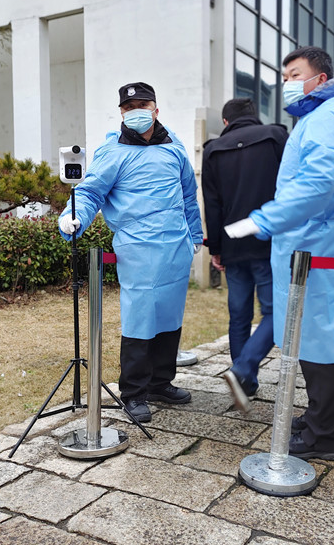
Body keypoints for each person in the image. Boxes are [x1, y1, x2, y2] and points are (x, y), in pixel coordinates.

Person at [225, 46, 334, 461]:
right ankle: (319, 417)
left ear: (322, 78)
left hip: (317, 243)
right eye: (285, 76)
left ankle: (324, 436)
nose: (288, 83)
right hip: (312, 241)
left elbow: (315, 185)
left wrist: (264, 219)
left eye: (295, 74)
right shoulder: (320, 116)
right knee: (309, 336)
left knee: (320, 339)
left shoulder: (327, 117)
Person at [58, 82, 203, 423]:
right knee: (140, 318)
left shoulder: (175, 148)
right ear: (121, 112)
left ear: (156, 108)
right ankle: (134, 392)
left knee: (169, 317)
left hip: (175, 248)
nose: (136, 111)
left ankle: (160, 382)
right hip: (138, 249)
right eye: (129, 107)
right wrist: (72, 216)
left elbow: (188, 195)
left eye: (142, 104)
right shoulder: (113, 152)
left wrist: (195, 235)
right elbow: (91, 191)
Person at [201, 98, 287, 411]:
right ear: (253, 116)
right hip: (269, 240)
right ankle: (243, 370)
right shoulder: (276, 136)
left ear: (226, 122)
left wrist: (217, 250)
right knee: (275, 312)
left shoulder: (213, 149)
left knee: (239, 314)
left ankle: (245, 381)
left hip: (233, 244)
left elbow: (212, 204)